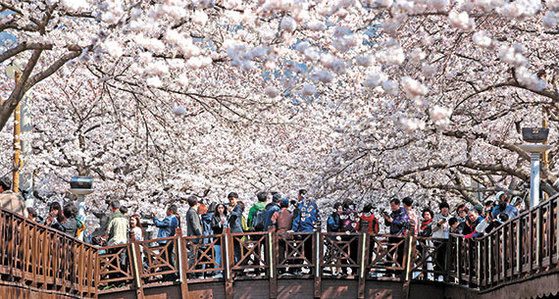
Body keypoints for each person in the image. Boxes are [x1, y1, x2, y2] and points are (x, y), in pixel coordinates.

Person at [290, 192, 319, 276]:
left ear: (300, 195)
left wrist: (293, 229)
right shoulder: (313, 205)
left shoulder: (300, 205)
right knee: (310, 251)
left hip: (302, 232)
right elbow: (316, 217)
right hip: (311, 231)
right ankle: (313, 268)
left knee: (300, 250)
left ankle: (296, 268)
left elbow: (297, 219)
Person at [383, 198, 409, 273]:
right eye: (391, 206)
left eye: (393, 206)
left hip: (400, 236)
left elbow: (403, 223)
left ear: (398, 205)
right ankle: (388, 271)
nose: (392, 207)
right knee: (389, 253)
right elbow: (388, 224)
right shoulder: (393, 213)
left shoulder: (403, 212)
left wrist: (393, 220)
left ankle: (398, 272)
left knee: (400, 254)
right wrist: (386, 218)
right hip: (392, 235)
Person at [153, 204, 179, 281]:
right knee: (170, 257)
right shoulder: (175, 219)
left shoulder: (168, 219)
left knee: (164, 258)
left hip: (164, 241)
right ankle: (172, 273)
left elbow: (158, 224)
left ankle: (168, 275)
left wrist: (155, 218)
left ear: (170, 211)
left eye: (167, 210)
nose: (166, 212)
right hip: (170, 241)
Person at [432, 201, 451, 281]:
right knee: (438, 257)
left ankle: (447, 274)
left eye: (446, 208)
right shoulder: (436, 217)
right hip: (438, 240)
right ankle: (438, 274)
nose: (445, 209)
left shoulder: (450, 217)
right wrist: (439, 224)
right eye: (443, 208)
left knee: (447, 258)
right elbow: (433, 229)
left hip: (447, 240)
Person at [211, 203, 228, 277]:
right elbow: (213, 226)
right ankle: (217, 270)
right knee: (218, 255)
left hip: (227, 238)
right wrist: (220, 223)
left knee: (226, 254)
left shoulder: (227, 216)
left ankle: (226, 270)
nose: (220, 209)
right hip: (218, 239)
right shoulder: (214, 217)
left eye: (222, 208)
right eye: (219, 208)